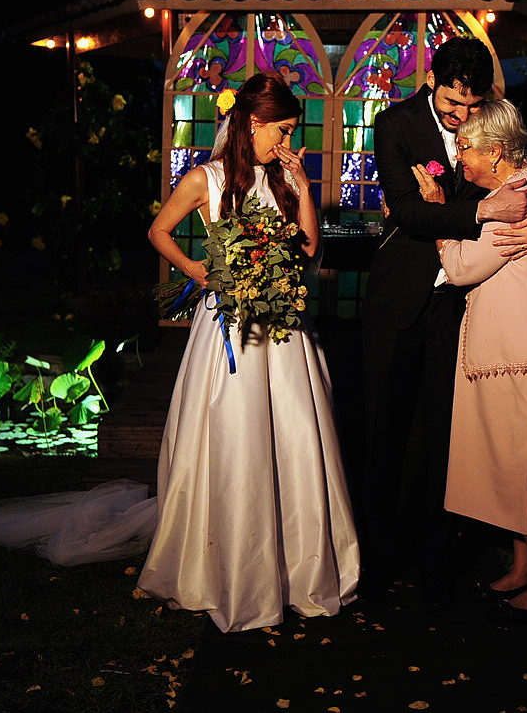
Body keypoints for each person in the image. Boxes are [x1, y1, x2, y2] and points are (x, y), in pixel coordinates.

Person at [359, 36, 527, 610]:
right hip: (400, 300)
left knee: (446, 440)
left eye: (473, 107)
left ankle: (437, 561)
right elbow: (407, 210)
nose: (463, 120)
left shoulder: (499, 124)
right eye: (454, 107)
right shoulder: (394, 124)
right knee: (382, 436)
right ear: (433, 82)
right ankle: (375, 559)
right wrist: (483, 209)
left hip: (459, 307)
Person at [137, 71, 360, 632]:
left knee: (294, 438)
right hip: (230, 332)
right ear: (253, 123)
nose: (286, 141)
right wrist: (195, 270)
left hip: (285, 334)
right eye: (280, 130)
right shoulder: (206, 179)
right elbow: (158, 230)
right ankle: (224, 565)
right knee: (236, 437)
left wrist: (304, 186)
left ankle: (296, 567)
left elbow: (309, 249)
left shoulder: (283, 177)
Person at [415, 98, 527, 622]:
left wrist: (442, 215)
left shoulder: (516, 198)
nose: (460, 156)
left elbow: (464, 267)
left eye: (465, 147)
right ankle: (523, 569)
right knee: (515, 463)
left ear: (494, 152)